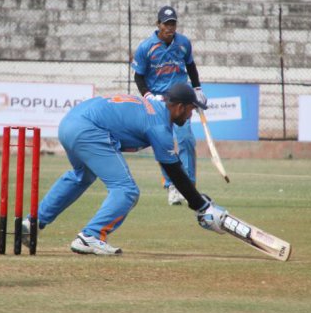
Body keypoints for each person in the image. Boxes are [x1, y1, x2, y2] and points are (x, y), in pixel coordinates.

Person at [23, 84, 228, 255]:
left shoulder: (156, 109)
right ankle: (91, 236)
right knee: (126, 190)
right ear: (180, 107)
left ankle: (32, 223)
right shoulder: (159, 125)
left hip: (69, 122)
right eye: (191, 109)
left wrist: (198, 202)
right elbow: (174, 171)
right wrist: (201, 206)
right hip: (88, 128)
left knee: (82, 175)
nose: (191, 115)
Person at [131, 6, 208, 205]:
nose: (170, 28)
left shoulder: (183, 43)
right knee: (164, 143)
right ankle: (172, 187)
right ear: (158, 24)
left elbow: (191, 66)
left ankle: (188, 187)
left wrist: (198, 89)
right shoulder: (146, 47)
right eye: (166, 24)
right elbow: (138, 76)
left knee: (186, 141)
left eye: (173, 23)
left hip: (181, 99)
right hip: (159, 103)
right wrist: (148, 95)